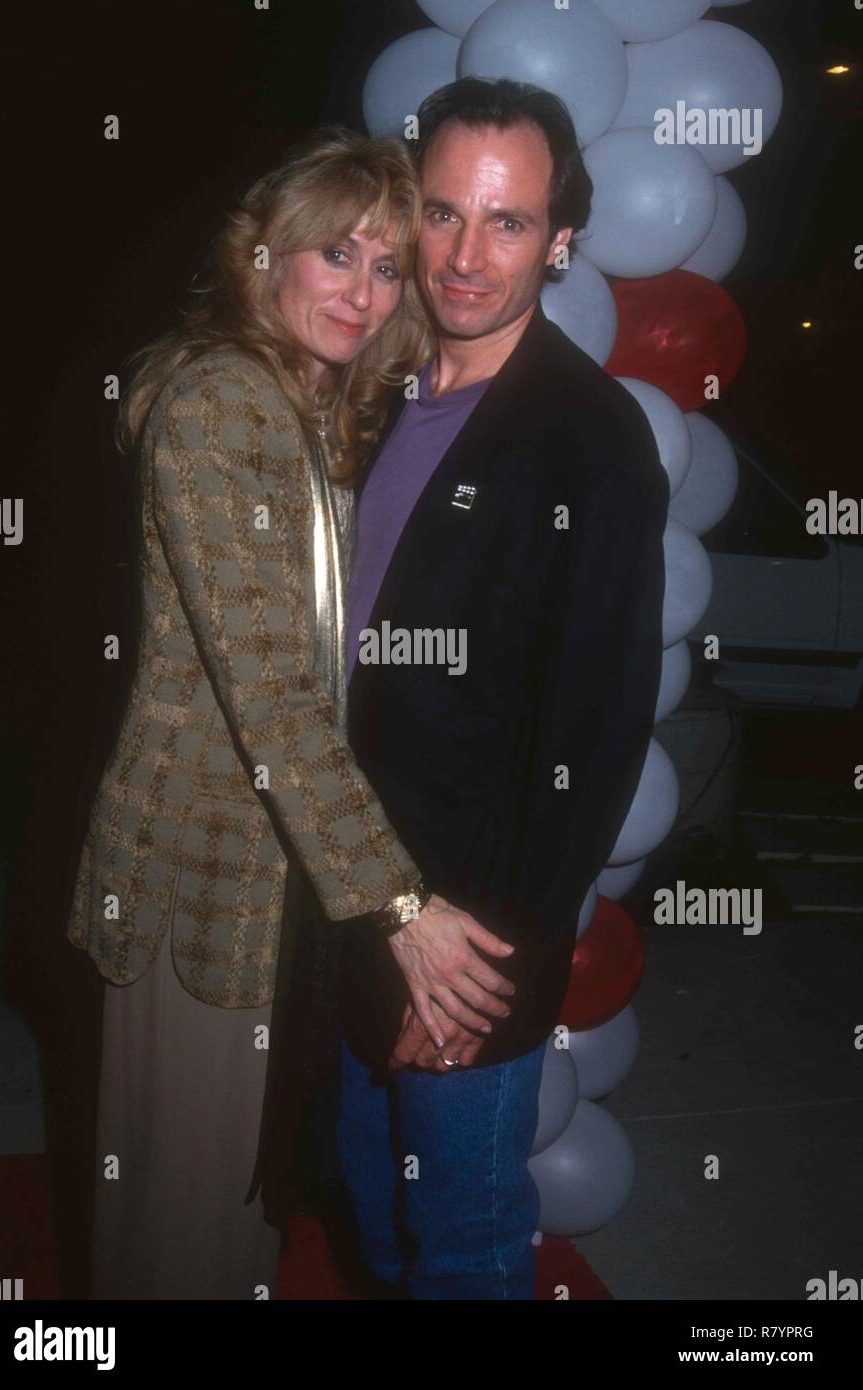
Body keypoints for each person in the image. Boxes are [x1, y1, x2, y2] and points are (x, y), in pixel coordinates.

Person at [65, 127, 513, 1301]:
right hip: (197, 873)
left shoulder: (310, 409)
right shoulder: (221, 404)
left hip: (275, 884)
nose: (364, 293)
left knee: (238, 1207)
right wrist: (398, 903)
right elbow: (271, 690)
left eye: (382, 263)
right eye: (334, 257)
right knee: (182, 1220)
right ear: (264, 257)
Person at [336, 78, 669, 1300]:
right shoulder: (378, 395)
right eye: (439, 215)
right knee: (372, 1212)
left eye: (508, 222)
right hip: (348, 902)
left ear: (561, 235)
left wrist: (496, 967)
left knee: (465, 1250)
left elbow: (596, 732)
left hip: (465, 941)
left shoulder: (588, 438)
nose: (466, 257)